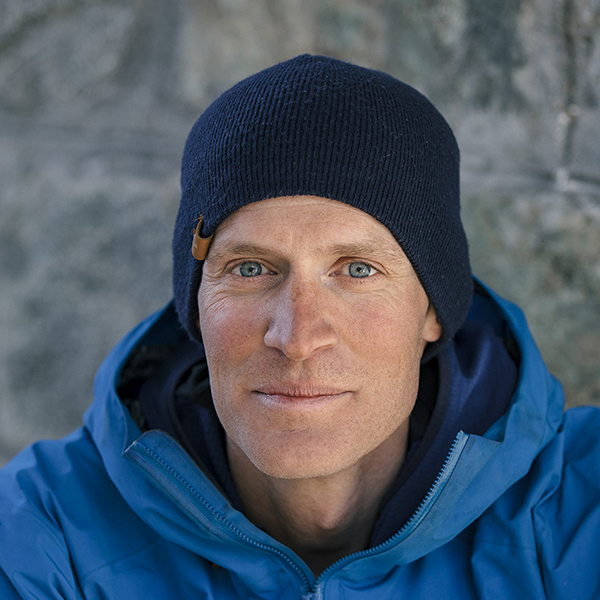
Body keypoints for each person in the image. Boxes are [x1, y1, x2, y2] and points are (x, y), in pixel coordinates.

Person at [0, 54, 599, 600]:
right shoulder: (43, 532)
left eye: (357, 269)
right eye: (250, 268)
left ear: (434, 311)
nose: (296, 338)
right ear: (197, 308)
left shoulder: (577, 508)